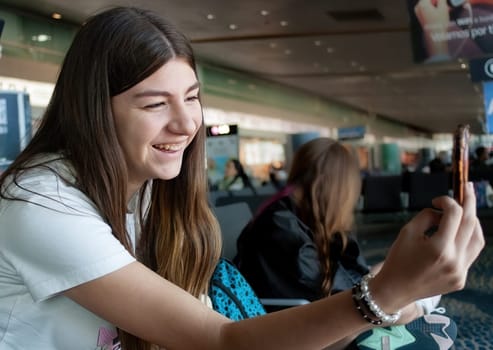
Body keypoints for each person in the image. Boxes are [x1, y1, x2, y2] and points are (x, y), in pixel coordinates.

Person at [0, 6, 484, 350]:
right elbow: (221, 340)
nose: (186, 124)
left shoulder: (148, 193)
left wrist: (390, 291)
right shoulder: (41, 202)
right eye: (154, 104)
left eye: (191, 97)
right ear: (92, 114)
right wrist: (381, 296)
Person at [234, 138, 454, 347]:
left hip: (318, 317)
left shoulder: (292, 216)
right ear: (341, 188)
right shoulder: (283, 231)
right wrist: (412, 303)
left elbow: (350, 278)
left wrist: (391, 273)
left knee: (420, 298)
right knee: (429, 319)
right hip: (305, 331)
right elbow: (349, 303)